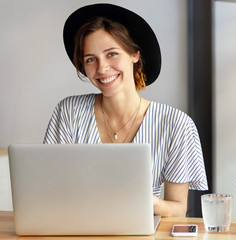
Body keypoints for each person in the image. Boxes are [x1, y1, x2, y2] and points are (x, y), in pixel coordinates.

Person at [43, 3, 208, 217]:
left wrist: (151, 202)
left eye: (111, 54)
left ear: (134, 54)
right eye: (91, 59)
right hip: (78, 227)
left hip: (142, 230)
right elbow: (48, 189)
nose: (102, 68)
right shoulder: (68, 113)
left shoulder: (176, 124)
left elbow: (177, 209)